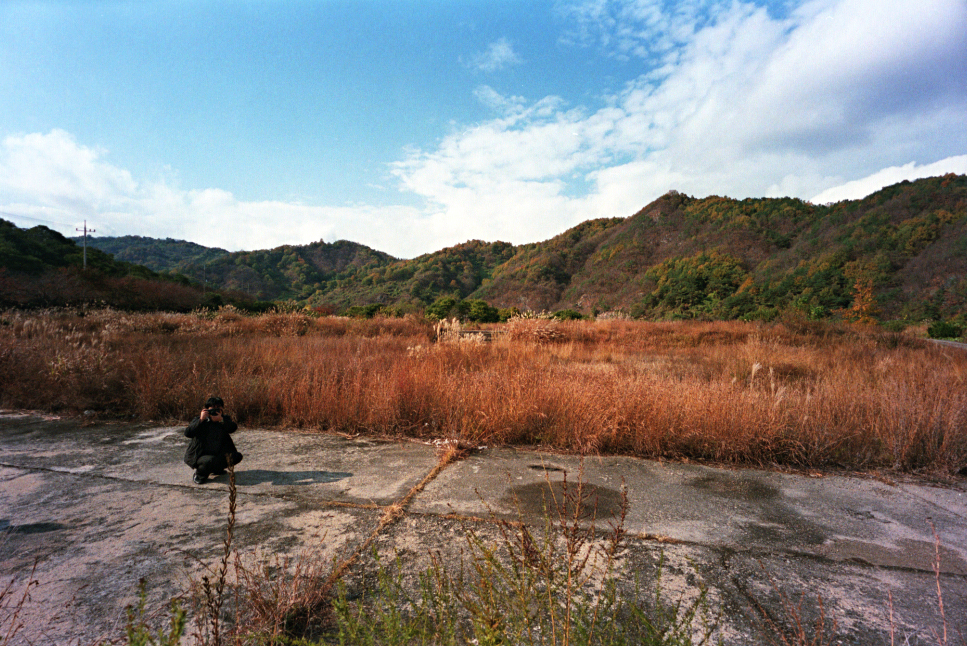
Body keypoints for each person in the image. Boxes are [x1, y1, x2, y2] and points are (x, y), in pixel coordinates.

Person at [184, 396, 243, 484]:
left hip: (217, 453)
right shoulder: (200, 420)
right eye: (212, 409)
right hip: (200, 455)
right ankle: (200, 474)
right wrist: (201, 420)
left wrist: (221, 420)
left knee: (236, 456)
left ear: (222, 409)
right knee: (209, 460)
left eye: (218, 409)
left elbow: (233, 428)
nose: (215, 411)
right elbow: (188, 433)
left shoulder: (224, 419)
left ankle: (216, 469)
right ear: (206, 410)